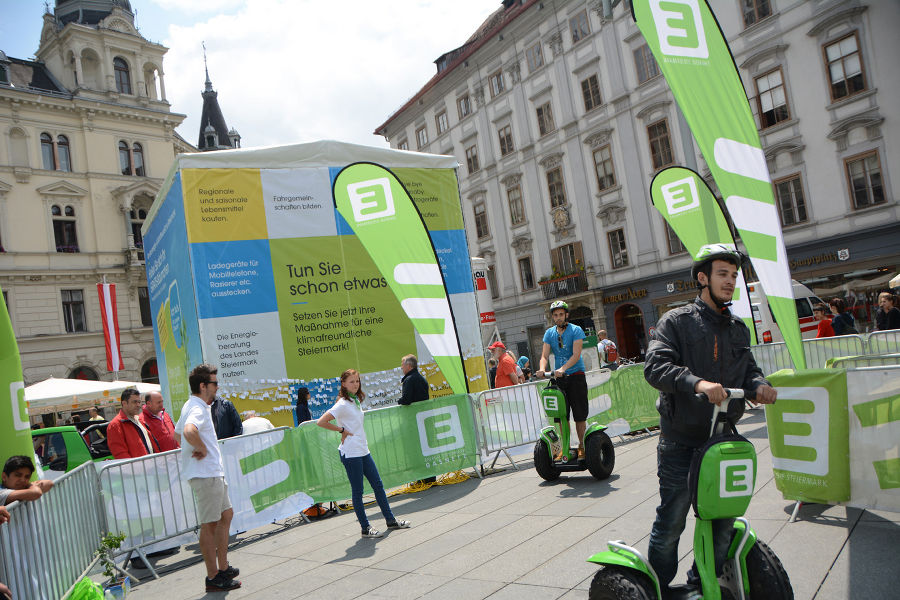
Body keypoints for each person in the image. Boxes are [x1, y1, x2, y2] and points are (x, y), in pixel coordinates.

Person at [644, 244, 776, 599]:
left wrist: (759, 386)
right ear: (703, 278)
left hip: (720, 441)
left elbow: (749, 371)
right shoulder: (676, 321)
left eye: (734, 275)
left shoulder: (737, 329)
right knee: (672, 519)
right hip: (681, 440)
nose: (731, 281)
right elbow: (655, 368)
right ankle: (656, 588)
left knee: (722, 522)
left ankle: (702, 583)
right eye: (723, 274)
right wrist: (698, 383)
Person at [317, 369, 411, 538]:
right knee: (358, 492)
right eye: (352, 381)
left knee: (378, 485)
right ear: (343, 384)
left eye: (357, 381)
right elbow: (321, 422)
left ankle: (390, 520)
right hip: (351, 453)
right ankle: (365, 528)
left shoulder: (355, 401)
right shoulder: (342, 404)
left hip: (363, 450)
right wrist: (341, 430)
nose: (355, 384)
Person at [174, 364, 241, 592]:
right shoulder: (198, 408)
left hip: (210, 472)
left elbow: (177, 433)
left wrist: (193, 451)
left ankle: (222, 567)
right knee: (210, 524)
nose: (217, 387)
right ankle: (213, 576)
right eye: (214, 383)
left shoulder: (192, 405)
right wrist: (200, 448)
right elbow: (188, 431)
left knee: (226, 515)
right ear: (203, 386)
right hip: (206, 474)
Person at [536, 300, 588, 458]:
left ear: (566, 315)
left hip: (576, 375)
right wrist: (542, 369)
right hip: (559, 378)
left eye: (561, 314)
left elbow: (576, 354)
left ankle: (581, 446)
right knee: (561, 416)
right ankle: (565, 447)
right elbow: (545, 355)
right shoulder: (549, 333)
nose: (558, 318)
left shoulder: (576, 330)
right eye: (555, 315)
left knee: (579, 415)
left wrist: (563, 368)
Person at [106, 388, 160, 459]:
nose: (138, 405)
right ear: (124, 403)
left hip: (152, 464)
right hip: (137, 468)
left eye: (139, 402)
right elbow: (120, 454)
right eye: (134, 402)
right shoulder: (115, 425)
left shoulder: (139, 419)